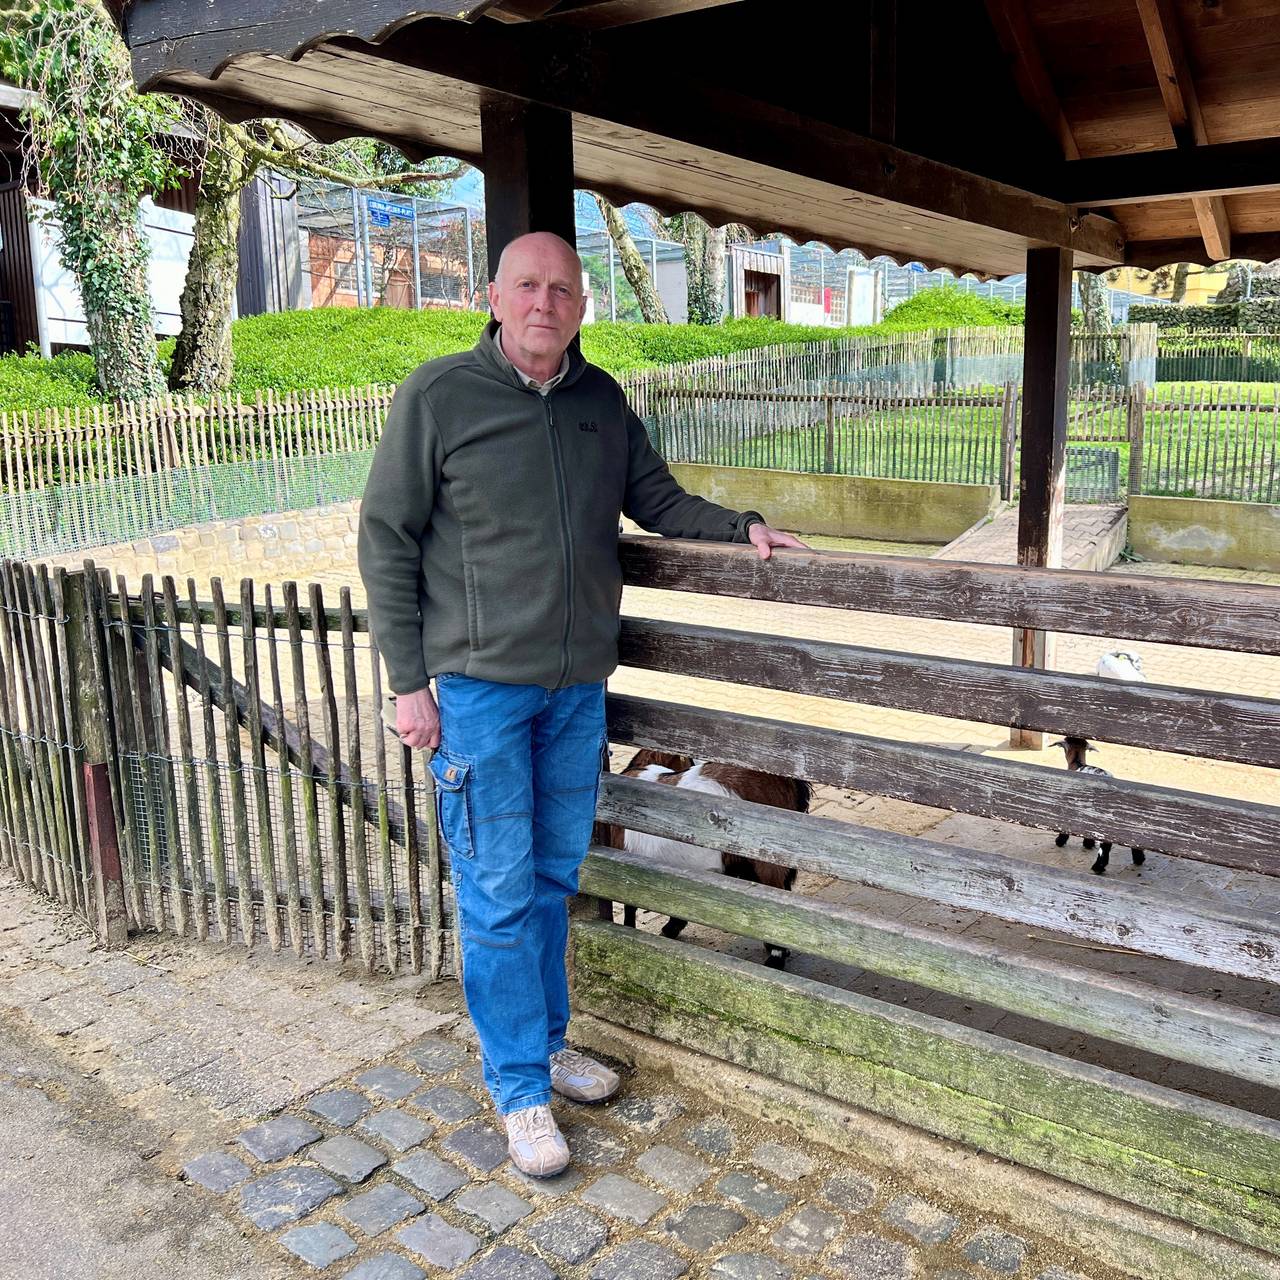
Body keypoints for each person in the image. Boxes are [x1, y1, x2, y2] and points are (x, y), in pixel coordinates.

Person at [357, 231, 805, 1177]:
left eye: (562, 289)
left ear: (581, 307)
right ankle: (519, 1090)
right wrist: (408, 682)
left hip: (573, 696)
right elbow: (386, 537)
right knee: (497, 893)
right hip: (479, 692)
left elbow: (659, 501)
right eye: (527, 286)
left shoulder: (601, 402)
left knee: (555, 879)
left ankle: (549, 1046)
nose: (544, 303)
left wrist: (745, 528)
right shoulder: (439, 396)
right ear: (493, 296)